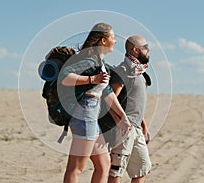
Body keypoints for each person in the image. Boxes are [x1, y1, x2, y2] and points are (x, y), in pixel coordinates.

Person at [59, 23, 131, 183]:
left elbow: (107, 93)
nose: (115, 41)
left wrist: (123, 117)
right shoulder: (89, 60)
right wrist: (92, 79)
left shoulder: (99, 63)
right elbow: (64, 76)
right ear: (103, 41)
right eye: (112, 37)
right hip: (84, 116)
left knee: (104, 164)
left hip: (91, 117)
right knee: (75, 168)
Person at [108, 35, 152, 183]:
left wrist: (144, 126)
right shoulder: (124, 70)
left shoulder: (139, 73)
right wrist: (119, 122)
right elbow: (110, 99)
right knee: (116, 171)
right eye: (145, 47)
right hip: (124, 129)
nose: (149, 49)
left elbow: (134, 103)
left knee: (142, 168)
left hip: (136, 128)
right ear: (135, 50)